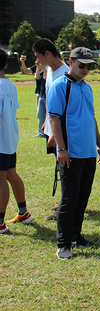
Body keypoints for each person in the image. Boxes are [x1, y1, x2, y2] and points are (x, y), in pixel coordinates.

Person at [47, 47, 100, 259]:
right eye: (81, 65)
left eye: (88, 66)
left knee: (83, 197)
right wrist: (61, 149)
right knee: (69, 198)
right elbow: (54, 118)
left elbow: (91, 117)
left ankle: (75, 235)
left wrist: (99, 144)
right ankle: (63, 242)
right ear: (70, 61)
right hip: (70, 153)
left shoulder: (87, 87)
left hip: (88, 151)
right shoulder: (60, 86)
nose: (84, 69)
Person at [0, 49, 35, 235]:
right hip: (10, 138)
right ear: (6, 65)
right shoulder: (10, 84)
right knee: (11, 175)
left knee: (1, 179)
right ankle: (23, 213)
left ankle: (0, 223)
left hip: (1, 140)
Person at [32, 38, 69, 150]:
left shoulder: (65, 75)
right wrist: (46, 123)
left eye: (38, 56)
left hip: (61, 132)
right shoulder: (49, 71)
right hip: (52, 128)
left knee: (63, 162)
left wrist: (54, 134)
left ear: (47, 53)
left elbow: (65, 108)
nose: (37, 60)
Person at [20, 55, 47, 137]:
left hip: (47, 93)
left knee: (48, 113)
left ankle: (46, 131)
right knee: (40, 113)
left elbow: (45, 76)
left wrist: (41, 66)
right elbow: (28, 72)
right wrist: (22, 62)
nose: (37, 59)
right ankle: (41, 131)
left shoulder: (48, 67)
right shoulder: (38, 67)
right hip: (40, 92)